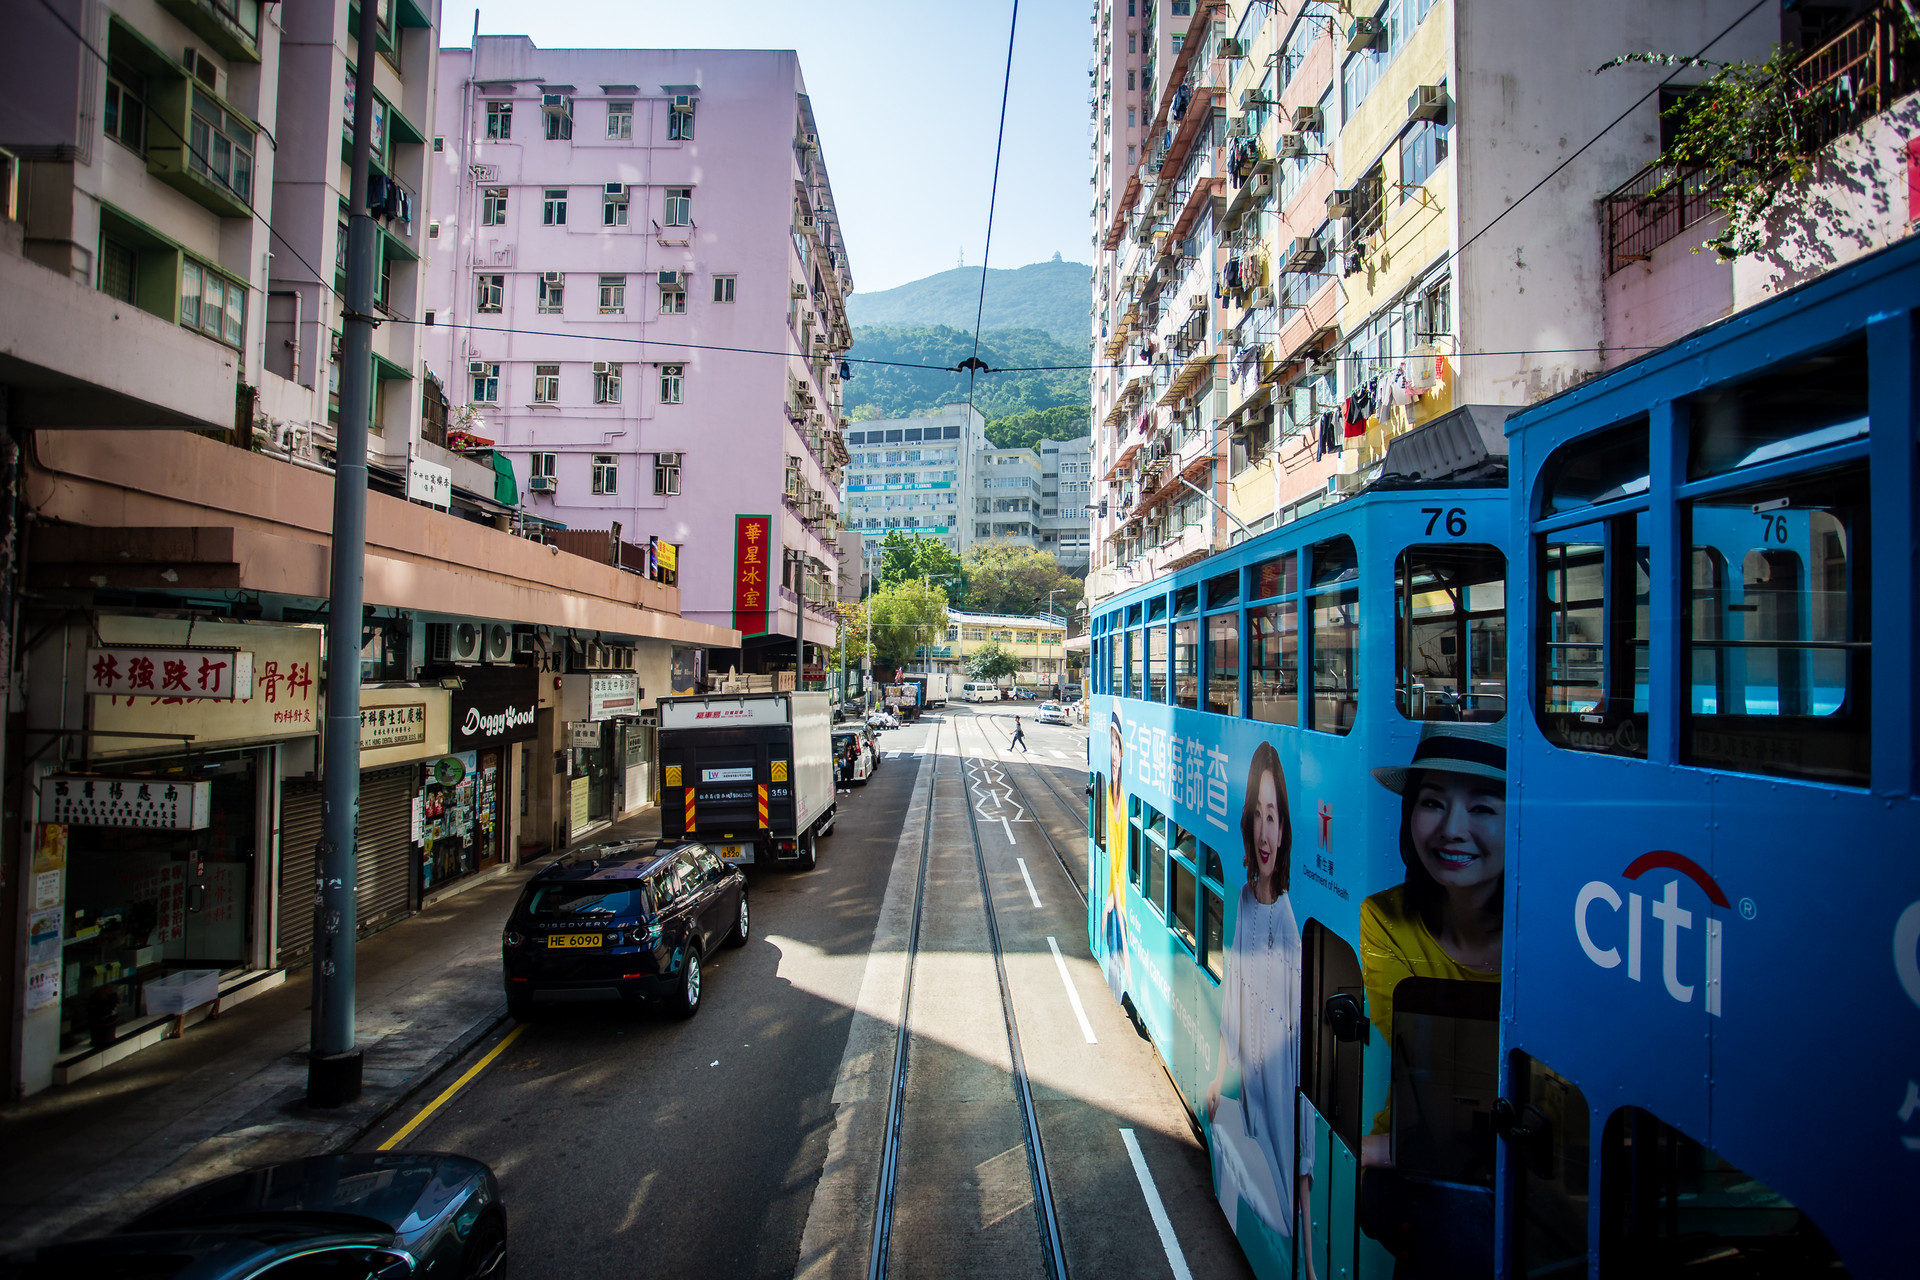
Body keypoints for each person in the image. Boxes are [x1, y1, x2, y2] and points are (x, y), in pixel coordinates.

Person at [1358, 721, 1505, 1278]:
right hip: (1431, 1185)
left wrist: (1379, 1148)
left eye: (1485, 808)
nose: (1453, 830)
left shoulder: (1558, 940)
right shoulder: (1387, 921)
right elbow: (1441, 1081)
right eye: (1433, 803)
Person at [1205, 741, 1316, 1267]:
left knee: (1279, 1194)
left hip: (1279, 1096)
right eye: (1257, 815)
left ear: (1284, 826)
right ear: (1248, 824)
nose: (1265, 831)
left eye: (1274, 816)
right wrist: (1216, 1075)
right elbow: (1232, 1000)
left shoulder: (1297, 927)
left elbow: (1305, 1046)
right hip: (1244, 1088)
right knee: (1228, 1149)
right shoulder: (1245, 899)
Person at [1100, 712, 1131, 1003]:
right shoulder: (1111, 794)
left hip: (1119, 905)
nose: (1112, 753)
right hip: (1115, 904)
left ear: (1123, 750)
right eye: (1108, 744)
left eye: (1116, 745)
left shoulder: (1128, 800)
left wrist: (1113, 898)